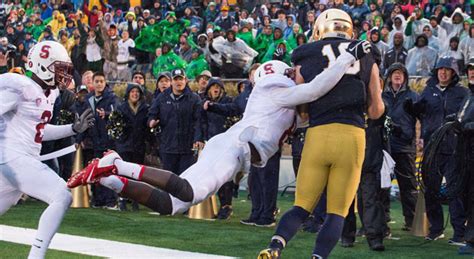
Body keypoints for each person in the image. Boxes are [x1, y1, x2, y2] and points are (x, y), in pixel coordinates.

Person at [67, 40, 371, 225]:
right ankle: (118, 165)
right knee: (189, 191)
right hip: (234, 148)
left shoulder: (278, 95)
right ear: (278, 75)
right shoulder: (276, 88)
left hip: (233, 148)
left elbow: (309, 106)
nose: (295, 75)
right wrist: (347, 58)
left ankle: (107, 178)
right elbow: (316, 88)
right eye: (290, 73)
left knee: (171, 205)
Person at [259, 9, 384, 259]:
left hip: (318, 135)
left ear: (319, 29)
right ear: (348, 29)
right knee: (337, 211)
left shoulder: (306, 53)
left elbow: (302, 112)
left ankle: (275, 246)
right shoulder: (366, 53)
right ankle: (317, 257)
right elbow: (376, 109)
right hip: (352, 137)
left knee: (302, 206)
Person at [0, 41, 93, 259]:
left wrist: (72, 128)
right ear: (42, 66)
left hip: (17, 162)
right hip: (13, 158)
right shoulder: (19, 85)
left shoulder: (50, 94)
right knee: (61, 195)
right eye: (58, 68)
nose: (63, 75)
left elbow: (39, 131)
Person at [405, 56, 469, 242]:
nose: (443, 72)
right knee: (430, 190)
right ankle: (436, 229)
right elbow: (421, 113)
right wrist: (411, 109)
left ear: (453, 73)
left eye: (447, 69)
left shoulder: (462, 93)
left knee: (454, 191)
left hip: (454, 148)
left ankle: (459, 232)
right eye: (440, 69)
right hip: (432, 148)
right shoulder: (428, 91)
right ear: (436, 72)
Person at [382, 63, 418, 231]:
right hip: (385, 147)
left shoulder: (413, 96)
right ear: (389, 76)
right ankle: (382, 220)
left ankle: (412, 221)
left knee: (409, 187)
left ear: (405, 77)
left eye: (400, 73)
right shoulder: (381, 96)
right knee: (382, 186)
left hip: (405, 147)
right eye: (394, 72)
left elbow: (422, 119)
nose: (397, 75)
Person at [148, 68, 203, 175]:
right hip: (168, 146)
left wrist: (198, 138)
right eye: (176, 79)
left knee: (185, 179)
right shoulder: (161, 97)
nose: (179, 82)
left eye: (181, 79)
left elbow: (199, 120)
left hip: (187, 148)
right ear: (172, 82)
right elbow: (152, 113)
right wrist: (151, 122)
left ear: (186, 80)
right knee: (169, 180)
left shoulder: (194, 98)